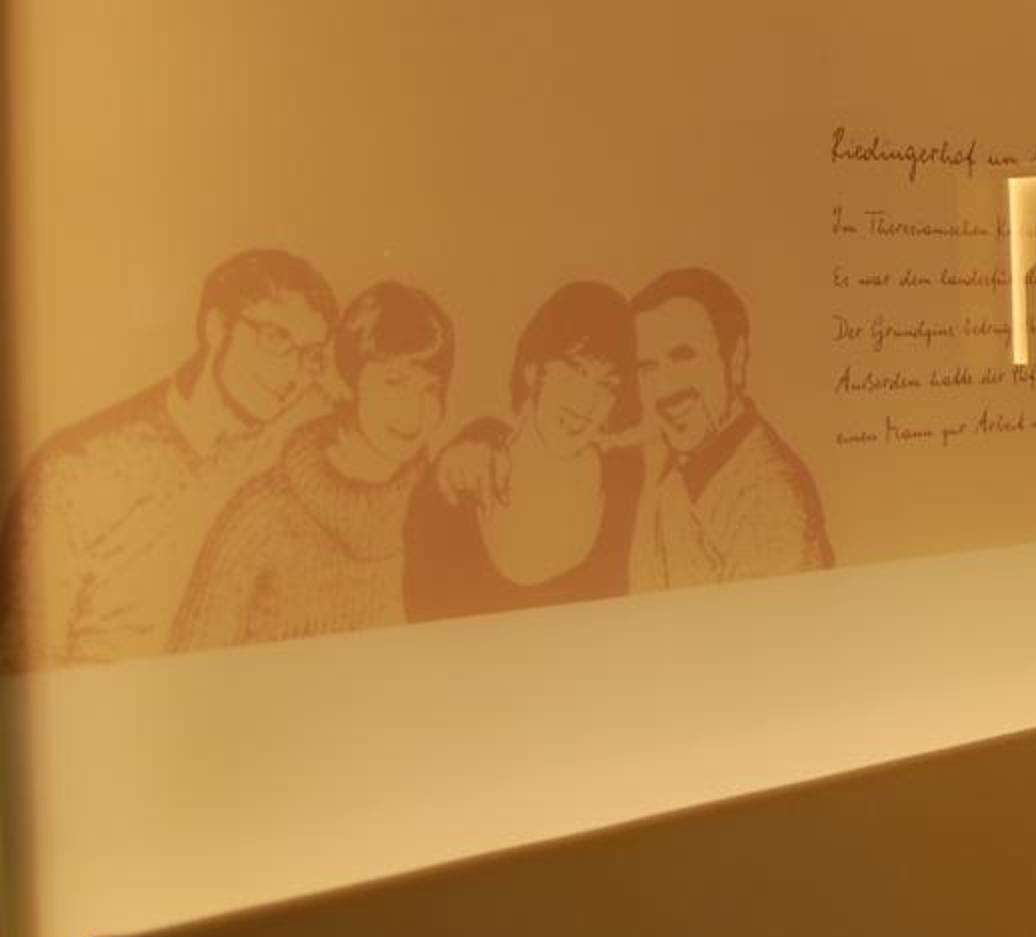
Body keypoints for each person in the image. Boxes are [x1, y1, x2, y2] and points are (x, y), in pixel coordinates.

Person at [4, 249, 336, 668]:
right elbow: (26, 666)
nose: (293, 374)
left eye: (311, 356)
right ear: (217, 328)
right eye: (276, 340)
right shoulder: (76, 470)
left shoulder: (306, 436)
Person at [172, 284, 454, 650]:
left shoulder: (449, 510)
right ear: (352, 380)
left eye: (430, 390)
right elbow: (190, 661)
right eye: (394, 383)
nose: (413, 412)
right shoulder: (261, 516)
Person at [402, 282, 642, 620]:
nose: (586, 402)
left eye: (607, 385)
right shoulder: (459, 478)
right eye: (575, 369)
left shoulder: (626, 481)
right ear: (533, 369)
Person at [628, 268, 830, 588]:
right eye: (648, 368)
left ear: (735, 360)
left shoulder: (769, 499)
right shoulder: (671, 472)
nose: (665, 388)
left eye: (683, 356)